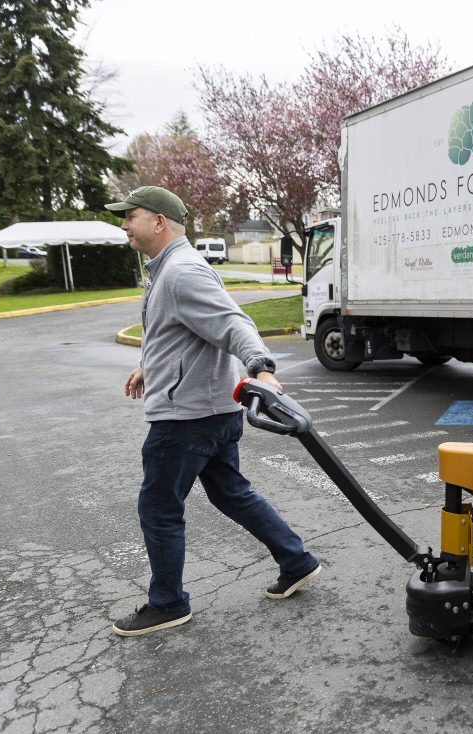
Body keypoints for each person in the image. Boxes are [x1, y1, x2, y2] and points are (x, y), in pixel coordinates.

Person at [106, 186, 320, 637]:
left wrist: (261, 368)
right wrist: (150, 362)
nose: (124, 224)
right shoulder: (171, 269)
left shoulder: (182, 271)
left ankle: (167, 603)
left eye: (131, 216)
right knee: (231, 493)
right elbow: (185, 329)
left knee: (159, 507)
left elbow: (232, 322)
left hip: (187, 418)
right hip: (211, 411)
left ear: (159, 221)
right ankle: (296, 561)